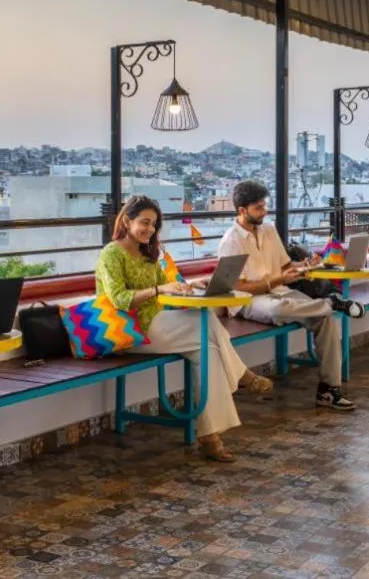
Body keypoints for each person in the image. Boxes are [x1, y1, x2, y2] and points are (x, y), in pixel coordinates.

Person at [96, 194, 271, 463]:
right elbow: (119, 298)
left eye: (154, 224)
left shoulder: (147, 252)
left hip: (158, 323)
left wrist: (192, 284)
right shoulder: (112, 253)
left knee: (208, 351)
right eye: (144, 222)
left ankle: (210, 436)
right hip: (131, 331)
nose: (149, 229)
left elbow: (164, 288)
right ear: (127, 220)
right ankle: (243, 376)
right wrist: (160, 289)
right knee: (207, 323)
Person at [217, 181, 356, 411]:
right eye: (258, 208)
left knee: (325, 319)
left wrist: (305, 264)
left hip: (281, 292)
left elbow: (285, 265)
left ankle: (329, 390)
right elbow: (238, 287)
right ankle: (332, 303)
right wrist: (278, 280)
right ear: (242, 210)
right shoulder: (230, 242)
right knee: (277, 310)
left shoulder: (269, 230)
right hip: (248, 301)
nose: (264, 212)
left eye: (264, 206)